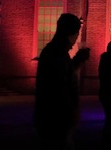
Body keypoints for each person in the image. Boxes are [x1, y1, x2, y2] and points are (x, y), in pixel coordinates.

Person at [34, 12, 90, 150]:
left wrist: (77, 60)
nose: (76, 38)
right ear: (71, 33)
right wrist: (71, 113)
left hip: (50, 118)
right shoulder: (57, 53)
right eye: (77, 33)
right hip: (56, 119)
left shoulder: (53, 51)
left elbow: (64, 74)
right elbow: (60, 85)